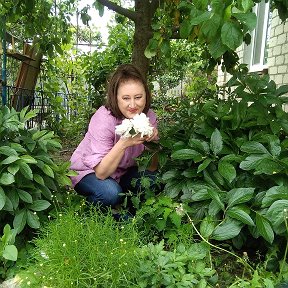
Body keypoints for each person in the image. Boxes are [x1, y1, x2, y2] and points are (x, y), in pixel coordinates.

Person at [70, 64, 159, 210]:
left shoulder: (149, 117)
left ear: (146, 95)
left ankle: (123, 212)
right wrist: (124, 142)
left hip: (122, 171)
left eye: (138, 97)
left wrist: (153, 142)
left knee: (152, 181)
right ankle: (89, 212)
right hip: (90, 171)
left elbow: (152, 167)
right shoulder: (104, 118)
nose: (132, 104)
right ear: (115, 97)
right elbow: (101, 173)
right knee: (110, 193)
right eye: (125, 98)